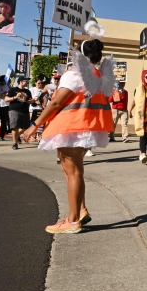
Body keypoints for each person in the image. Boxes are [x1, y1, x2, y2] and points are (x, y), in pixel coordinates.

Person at [23, 39, 114, 234]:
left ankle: (72, 221)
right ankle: (79, 211)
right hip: (84, 127)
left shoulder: (75, 74)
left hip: (70, 128)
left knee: (72, 173)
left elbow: (56, 103)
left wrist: (34, 125)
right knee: (73, 172)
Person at [6, 77, 32, 150]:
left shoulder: (28, 91)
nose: (27, 82)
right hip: (14, 109)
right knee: (15, 126)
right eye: (26, 81)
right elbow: (6, 99)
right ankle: (15, 143)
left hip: (25, 110)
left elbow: (29, 100)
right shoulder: (13, 90)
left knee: (25, 127)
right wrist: (15, 97)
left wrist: (32, 101)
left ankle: (16, 136)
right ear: (21, 81)